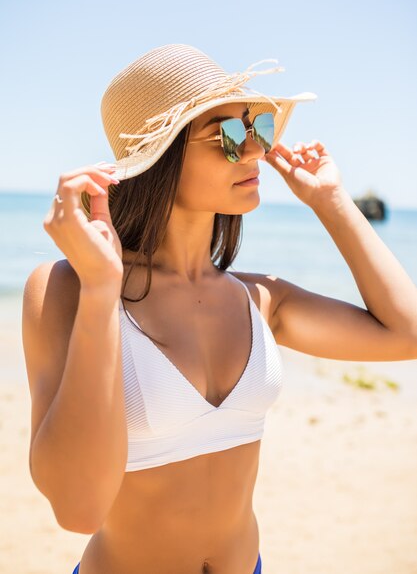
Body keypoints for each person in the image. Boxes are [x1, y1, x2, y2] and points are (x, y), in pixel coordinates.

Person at [21, 44, 417, 574]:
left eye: (258, 129)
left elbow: (405, 334)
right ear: (158, 158)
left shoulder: (259, 299)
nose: (253, 151)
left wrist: (332, 203)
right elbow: (78, 509)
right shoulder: (68, 290)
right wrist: (100, 292)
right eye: (228, 137)